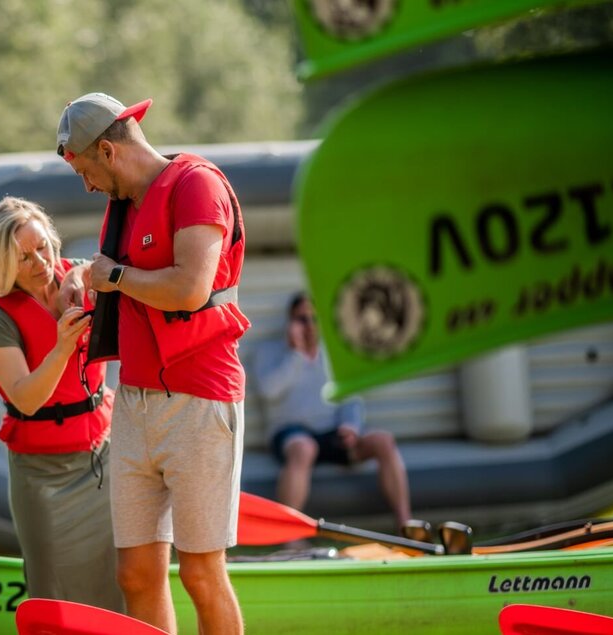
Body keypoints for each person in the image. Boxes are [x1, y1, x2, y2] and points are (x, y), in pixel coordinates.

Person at [58, 93, 247, 634]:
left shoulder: (196, 185)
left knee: (201, 574)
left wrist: (113, 277)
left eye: (86, 171)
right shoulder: (127, 201)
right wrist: (81, 274)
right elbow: (121, 266)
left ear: (109, 152)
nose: (87, 186)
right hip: (134, 402)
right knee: (136, 574)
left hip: (199, 400)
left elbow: (190, 289)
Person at [0, 196, 124, 612]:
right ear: (3, 262)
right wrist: (61, 349)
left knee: (116, 580)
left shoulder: (74, 275)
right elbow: (26, 398)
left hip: (102, 457)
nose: (40, 261)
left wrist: (77, 272)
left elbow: (100, 267)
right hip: (42, 475)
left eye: (43, 247)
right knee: (53, 591)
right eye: (24, 257)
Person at [253, 292, 412, 531]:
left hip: (333, 433)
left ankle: (406, 524)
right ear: (290, 321)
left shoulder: (334, 353)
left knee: (383, 441)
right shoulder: (269, 351)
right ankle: (289, 535)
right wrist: (296, 354)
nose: (309, 325)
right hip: (291, 434)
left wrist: (351, 426)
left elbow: (352, 397)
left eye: (314, 319)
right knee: (304, 448)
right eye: (302, 319)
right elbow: (269, 391)